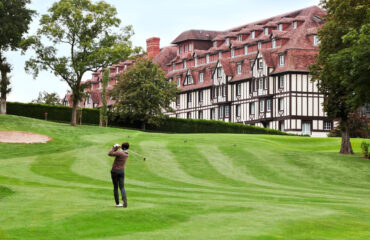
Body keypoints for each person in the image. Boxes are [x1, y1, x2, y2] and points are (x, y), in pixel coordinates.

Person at [108, 142, 129, 208]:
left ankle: (117, 203)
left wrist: (114, 147)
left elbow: (110, 153)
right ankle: (124, 198)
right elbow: (118, 153)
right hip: (121, 171)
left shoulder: (120, 153)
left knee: (115, 187)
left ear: (122, 147)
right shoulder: (126, 154)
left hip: (115, 171)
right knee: (122, 187)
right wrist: (118, 148)